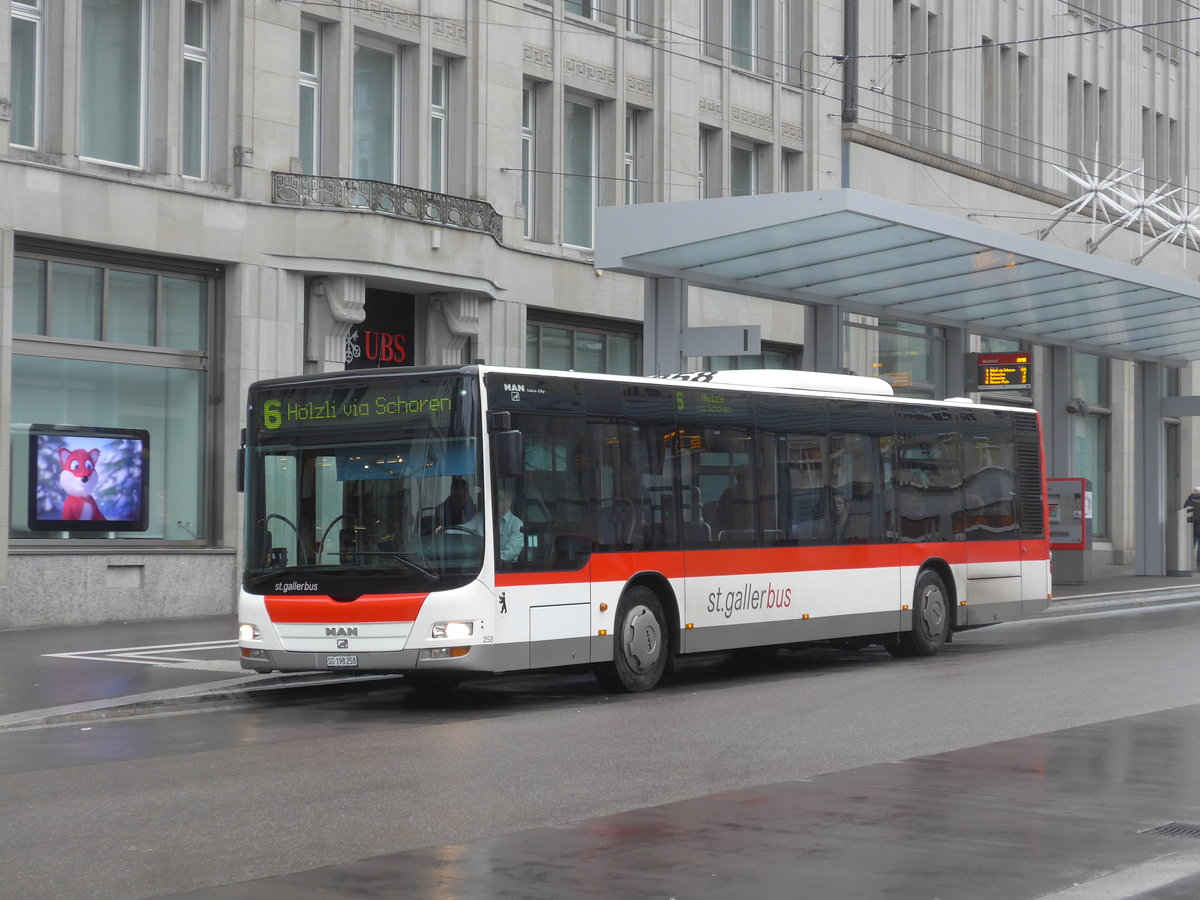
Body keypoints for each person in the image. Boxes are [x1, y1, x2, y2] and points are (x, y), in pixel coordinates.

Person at [441, 487, 524, 562]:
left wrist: (489, 559)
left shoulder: (517, 524)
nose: (496, 503)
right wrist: (446, 530)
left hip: (503, 569)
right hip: (478, 565)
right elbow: (464, 529)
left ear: (509, 501)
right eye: (494, 500)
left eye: (500, 499)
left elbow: (512, 552)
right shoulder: (482, 516)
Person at [1186, 487, 1200, 566]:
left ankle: (1187, 558)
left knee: (1191, 542)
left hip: (1192, 525)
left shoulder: (1189, 500)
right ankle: (1199, 560)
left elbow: (1185, 511)